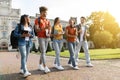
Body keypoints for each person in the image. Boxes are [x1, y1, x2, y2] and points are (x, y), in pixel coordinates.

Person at [34, 6, 51, 73]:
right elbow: (36, 30)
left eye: (46, 12)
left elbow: (49, 28)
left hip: (47, 37)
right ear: (41, 12)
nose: (46, 13)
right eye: (44, 12)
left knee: (43, 52)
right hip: (40, 37)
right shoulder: (37, 20)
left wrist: (49, 32)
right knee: (43, 51)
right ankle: (45, 66)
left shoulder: (47, 20)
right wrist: (44, 28)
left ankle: (40, 65)